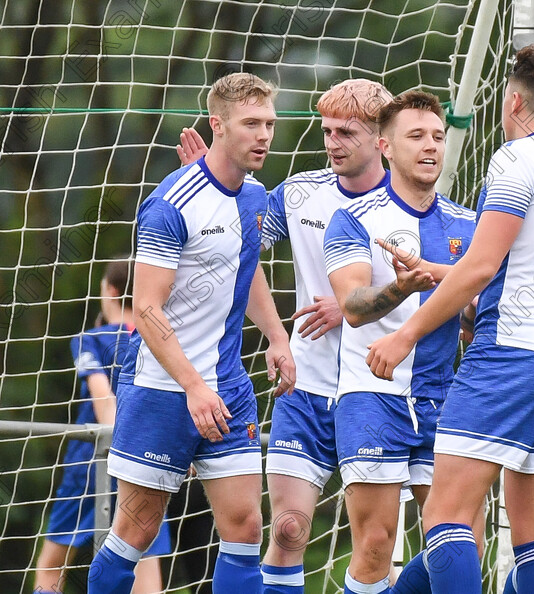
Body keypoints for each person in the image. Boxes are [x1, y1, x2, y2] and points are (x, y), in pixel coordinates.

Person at [366, 44, 534, 594]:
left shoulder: (515, 159)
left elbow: (482, 268)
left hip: (510, 353)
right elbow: (513, 267)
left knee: (446, 517)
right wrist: (443, 271)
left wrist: (404, 335)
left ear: (513, 101)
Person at [178, 77, 396, 594]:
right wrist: (202, 189)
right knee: (289, 529)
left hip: (380, 392)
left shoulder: (409, 202)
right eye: (327, 131)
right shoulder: (299, 194)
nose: (332, 142)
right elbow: (236, 245)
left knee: (377, 545)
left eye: (347, 132)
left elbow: (436, 290)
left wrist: (358, 308)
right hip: (308, 388)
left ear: (381, 139)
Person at [87, 72, 296, 594]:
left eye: (269, 123)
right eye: (251, 124)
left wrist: (277, 337)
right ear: (218, 125)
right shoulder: (170, 204)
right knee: (135, 531)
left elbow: (242, 270)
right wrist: (191, 385)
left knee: (246, 528)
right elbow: (147, 309)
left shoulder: (254, 196)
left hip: (227, 389)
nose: (264, 135)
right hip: (163, 390)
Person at [323, 90, 476, 594]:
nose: (431, 146)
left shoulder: (468, 225)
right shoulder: (355, 218)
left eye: (437, 136)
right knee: (374, 544)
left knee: (456, 543)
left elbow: (480, 309)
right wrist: (399, 287)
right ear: (385, 147)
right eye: (416, 137)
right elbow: (352, 304)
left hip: (444, 400)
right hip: (372, 396)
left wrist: (474, 313)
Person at [35, 259, 170, 593]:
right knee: (144, 562)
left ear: (110, 291)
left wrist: (119, 442)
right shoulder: (160, 339)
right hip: (147, 458)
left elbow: (103, 400)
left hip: (92, 459)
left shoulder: (91, 339)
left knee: (52, 564)